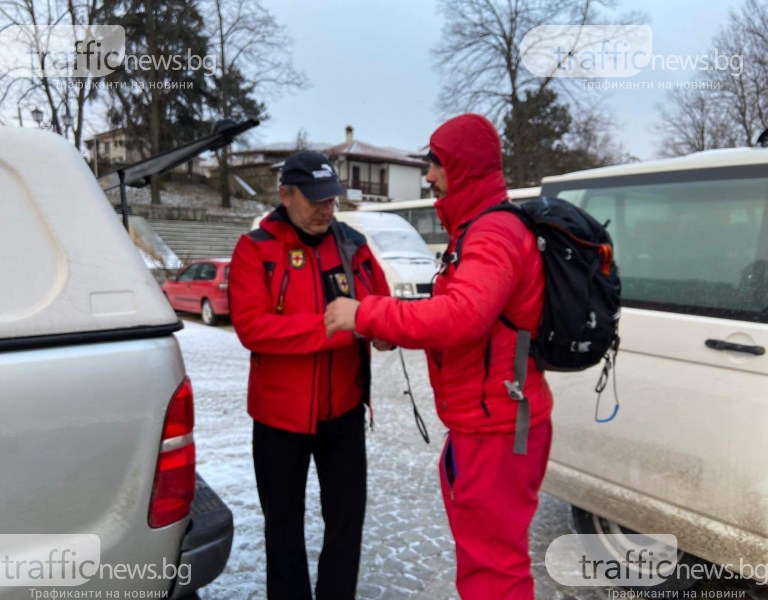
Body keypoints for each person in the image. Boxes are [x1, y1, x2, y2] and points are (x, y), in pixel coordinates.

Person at [324, 114, 553, 600]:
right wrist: (397, 327)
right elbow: (466, 319)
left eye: (436, 163)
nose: (428, 175)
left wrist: (365, 314)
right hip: (484, 421)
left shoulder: (492, 234)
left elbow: (463, 316)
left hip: (496, 428)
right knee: (485, 558)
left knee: (495, 568)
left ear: (462, 166)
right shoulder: (479, 228)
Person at [228, 150, 390, 600]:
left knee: (345, 525)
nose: (326, 209)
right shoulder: (255, 248)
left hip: (343, 415)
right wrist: (337, 327)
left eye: (332, 199)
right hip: (279, 421)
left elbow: (381, 306)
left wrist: (384, 328)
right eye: (315, 199)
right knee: (283, 528)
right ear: (286, 194)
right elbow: (254, 329)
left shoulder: (353, 245)